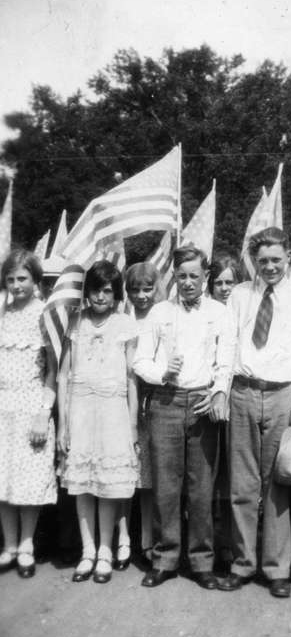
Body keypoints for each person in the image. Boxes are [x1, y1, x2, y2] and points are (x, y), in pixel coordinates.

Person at [212, 227, 291, 598]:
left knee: (278, 483)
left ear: (288, 255)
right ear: (253, 263)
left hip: (282, 395)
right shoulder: (241, 295)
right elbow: (226, 345)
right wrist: (220, 390)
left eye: (276, 259)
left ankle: (277, 569)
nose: (270, 267)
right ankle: (242, 564)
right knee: (242, 485)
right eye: (262, 262)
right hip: (243, 391)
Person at [134, 245, 226, 590]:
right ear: (174, 276)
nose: (188, 283)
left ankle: (202, 562)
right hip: (166, 402)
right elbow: (140, 361)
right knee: (166, 488)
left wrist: (218, 391)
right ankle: (165, 559)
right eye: (182, 276)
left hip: (202, 403)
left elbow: (226, 360)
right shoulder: (159, 313)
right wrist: (162, 372)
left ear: (206, 277)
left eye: (195, 276)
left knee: (201, 488)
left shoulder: (220, 312)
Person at [58, 260, 138, 584]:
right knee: (82, 485)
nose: (101, 296)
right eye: (95, 289)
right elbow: (63, 375)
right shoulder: (75, 323)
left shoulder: (125, 324)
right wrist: (63, 423)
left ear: (116, 294)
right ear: (87, 291)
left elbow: (133, 377)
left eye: (108, 290)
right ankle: (87, 550)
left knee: (106, 485)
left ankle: (105, 549)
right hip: (80, 409)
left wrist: (132, 423)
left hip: (113, 411)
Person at [0, 249, 57, 578]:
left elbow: (52, 370)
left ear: (35, 280)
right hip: (3, 405)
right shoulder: (2, 312)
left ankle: (26, 545)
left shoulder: (44, 315)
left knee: (28, 479)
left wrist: (43, 413)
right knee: (4, 478)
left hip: (31, 404)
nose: (16, 284)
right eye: (10, 279)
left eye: (22, 278)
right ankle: (8, 544)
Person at [114, 262, 165, 570]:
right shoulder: (122, 319)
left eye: (148, 288)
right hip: (121, 401)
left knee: (147, 479)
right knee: (123, 476)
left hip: (152, 401)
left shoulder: (162, 316)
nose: (142, 295)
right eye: (135, 289)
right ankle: (123, 538)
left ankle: (147, 539)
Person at [208, 253, 242, 567]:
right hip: (208, 397)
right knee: (210, 474)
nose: (224, 288)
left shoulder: (243, 310)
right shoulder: (207, 312)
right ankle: (212, 541)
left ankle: (231, 542)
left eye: (230, 282)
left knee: (233, 474)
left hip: (237, 397)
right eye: (218, 282)